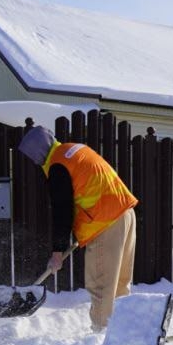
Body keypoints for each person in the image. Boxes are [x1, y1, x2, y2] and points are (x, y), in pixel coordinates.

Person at [16, 125, 138, 331]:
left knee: (101, 287)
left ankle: (100, 337)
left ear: (38, 153)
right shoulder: (74, 150)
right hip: (125, 213)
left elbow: (62, 210)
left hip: (105, 223)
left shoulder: (57, 166)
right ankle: (122, 334)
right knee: (118, 285)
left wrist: (57, 252)